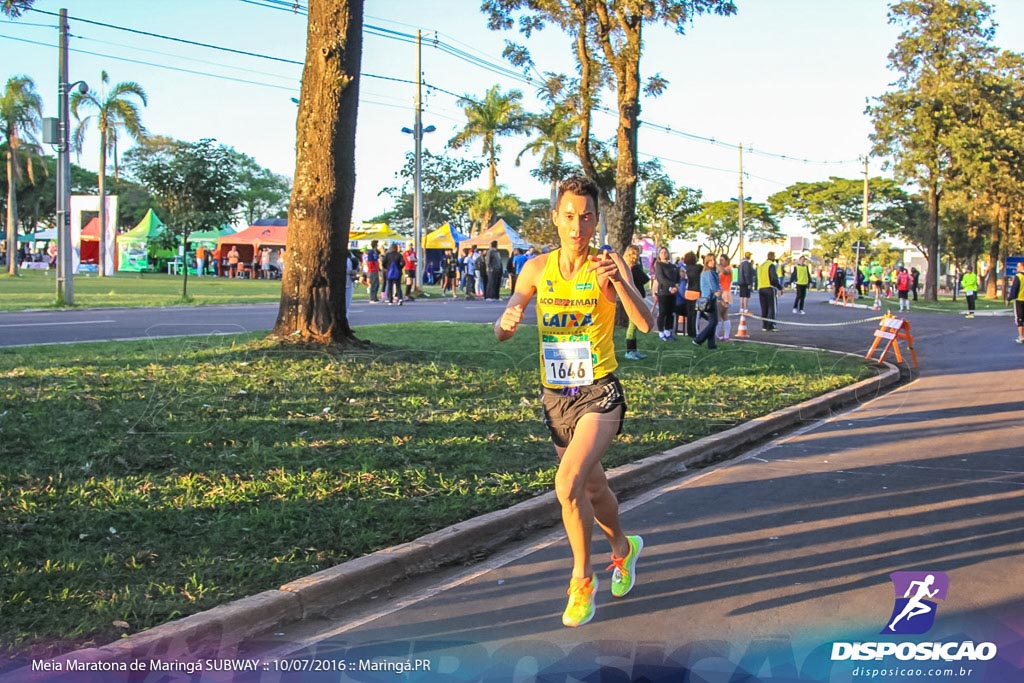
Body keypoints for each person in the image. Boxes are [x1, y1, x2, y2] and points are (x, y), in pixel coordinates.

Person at [495, 176, 654, 628]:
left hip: (599, 392)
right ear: (556, 217)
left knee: (566, 484)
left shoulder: (608, 264)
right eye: (569, 216)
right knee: (593, 489)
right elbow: (503, 326)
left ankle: (581, 580)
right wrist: (507, 321)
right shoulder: (535, 268)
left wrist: (619, 285)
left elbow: (646, 324)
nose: (577, 226)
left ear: (596, 219)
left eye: (586, 217)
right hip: (555, 396)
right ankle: (623, 548)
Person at [623, 244, 650, 360]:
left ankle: (633, 350)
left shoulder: (627, 268)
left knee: (633, 325)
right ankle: (629, 351)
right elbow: (645, 279)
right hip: (634, 298)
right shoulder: (633, 268)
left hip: (634, 296)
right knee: (632, 325)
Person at [692, 253, 721, 350]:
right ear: (706, 262)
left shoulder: (710, 272)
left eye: (714, 260)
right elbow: (714, 287)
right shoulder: (708, 273)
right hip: (708, 300)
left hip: (709, 299)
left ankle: (711, 344)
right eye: (710, 260)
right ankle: (698, 339)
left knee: (713, 322)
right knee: (713, 322)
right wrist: (721, 298)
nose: (713, 262)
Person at [653, 246, 680, 341]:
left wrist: (676, 286)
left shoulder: (673, 266)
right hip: (663, 292)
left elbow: (677, 277)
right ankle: (661, 333)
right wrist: (671, 286)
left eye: (665, 252)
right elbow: (661, 278)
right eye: (662, 253)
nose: (664, 254)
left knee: (670, 313)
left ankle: (668, 332)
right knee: (663, 312)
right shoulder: (659, 265)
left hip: (673, 293)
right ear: (659, 255)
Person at [757, 251, 783, 331]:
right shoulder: (771, 265)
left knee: (764, 307)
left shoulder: (761, 266)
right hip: (769, 287)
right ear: (772, 257)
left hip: (761, 288)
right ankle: (771, 325)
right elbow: (773, 278)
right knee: (772, 308)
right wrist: (779, 287)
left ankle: (764, 326)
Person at [681, 252, 702, 337]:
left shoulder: (686, 268)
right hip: (697, 292)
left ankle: (690, 332)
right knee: (696, 315)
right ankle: (695, 332)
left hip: (688, 292)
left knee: (689, 314)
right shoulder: (699, 267)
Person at [716, 254, 733, 342]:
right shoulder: (721, 271)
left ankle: (717, 335)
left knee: (720, 314)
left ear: (727, 260)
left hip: (725, 293)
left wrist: (716, 264)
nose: (720, 262)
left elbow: (725, 272)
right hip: (723, 292)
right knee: (724, 315)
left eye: (722, 260)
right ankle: (725, 336)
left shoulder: (728, 268)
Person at [1009, 266, 1024, 344]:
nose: (1016, 268)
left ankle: (1021, 337)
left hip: (1019, 300)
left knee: (1019, 318)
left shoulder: (1018, 276)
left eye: (1018, 266)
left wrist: (1009, 299)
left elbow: (1014, 288)